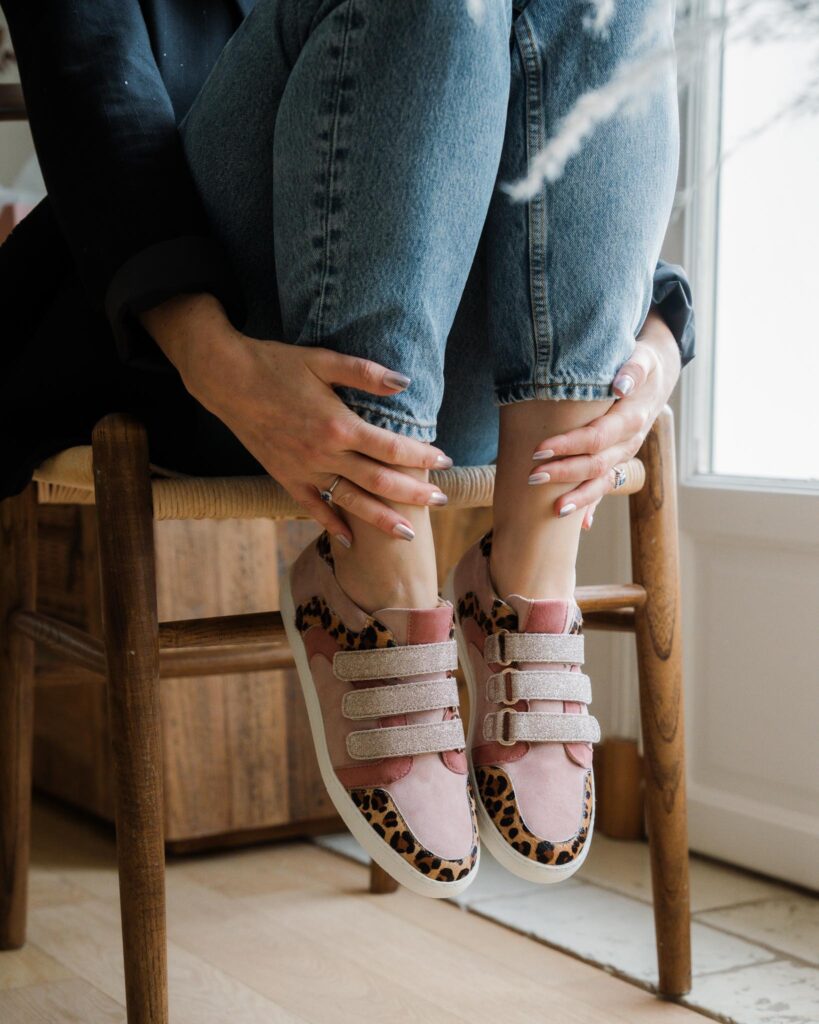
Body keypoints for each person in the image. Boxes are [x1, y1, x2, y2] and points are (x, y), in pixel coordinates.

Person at [1, 0, 694, 896]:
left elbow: (551, 114)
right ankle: (375, 578)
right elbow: (95, 83)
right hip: (207, 349)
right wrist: (215, 360)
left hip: (473, 390)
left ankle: (529, 577)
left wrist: (655, 337)